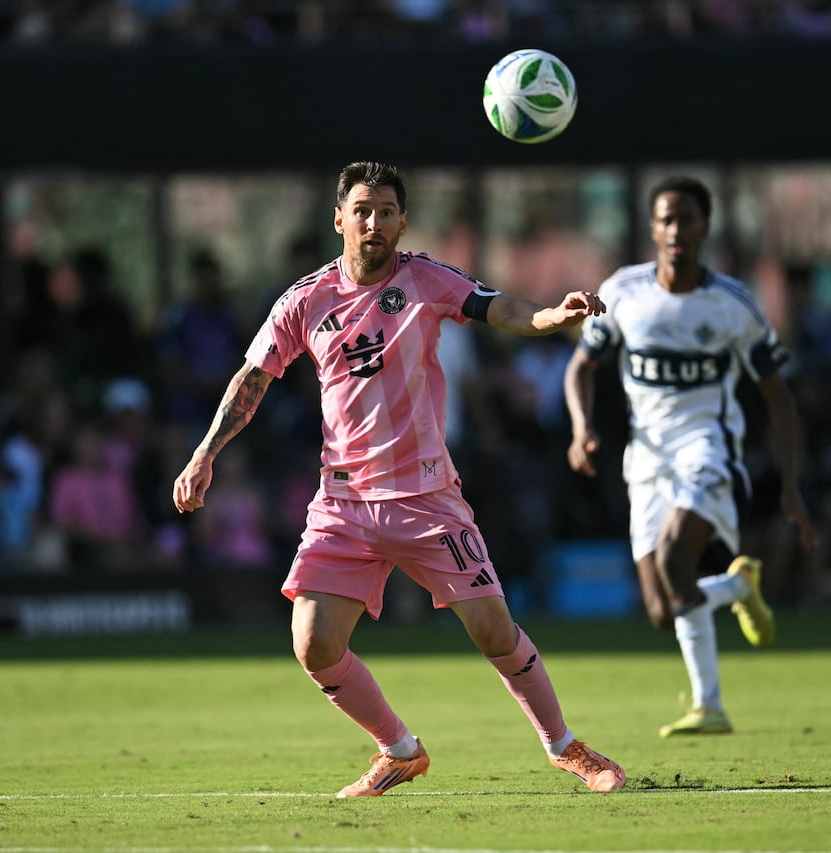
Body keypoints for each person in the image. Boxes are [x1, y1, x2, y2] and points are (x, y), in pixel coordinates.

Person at [172, 161, 625, 797]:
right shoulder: (305, 301)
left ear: (402, 221)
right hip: (344, 504)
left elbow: (500, 308)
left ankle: (565, 746)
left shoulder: (427, 280)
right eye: (362, 210)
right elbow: (252, 380)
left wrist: (551, 318)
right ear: (339, 219)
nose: (374, 222)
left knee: (494, 630)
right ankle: (400, 750)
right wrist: (204, 454)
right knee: (313, 644)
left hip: (426, 498)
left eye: (386, 211)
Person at [563, 175, 818, 738]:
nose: (677, 229)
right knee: (662, 609)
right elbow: (582, 365)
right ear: (654, 228)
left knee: (679, 560)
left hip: (709, 448)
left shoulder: (731, 305)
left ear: (706, 227)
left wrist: (791, 486)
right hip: (645, 459)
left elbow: (779, 396)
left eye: (687, 218)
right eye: (666, 219)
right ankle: (739, 587)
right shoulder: (625, 293)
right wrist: (581, 428)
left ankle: (711, 707)